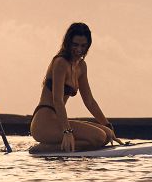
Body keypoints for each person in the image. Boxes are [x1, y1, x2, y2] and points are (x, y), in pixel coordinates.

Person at [30, 23, 117, 151]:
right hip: (44, 123)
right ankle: (45, 148)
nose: (79, 49)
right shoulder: (60, 63)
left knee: (107, 135)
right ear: (68, 43)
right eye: (75, 45)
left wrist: (107, 125)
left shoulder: (81, 66)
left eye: (83, 46)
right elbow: (57, 100)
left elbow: (90, 101)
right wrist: (67, 131)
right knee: (98, 137)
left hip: (58, 121)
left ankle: (58, 146)